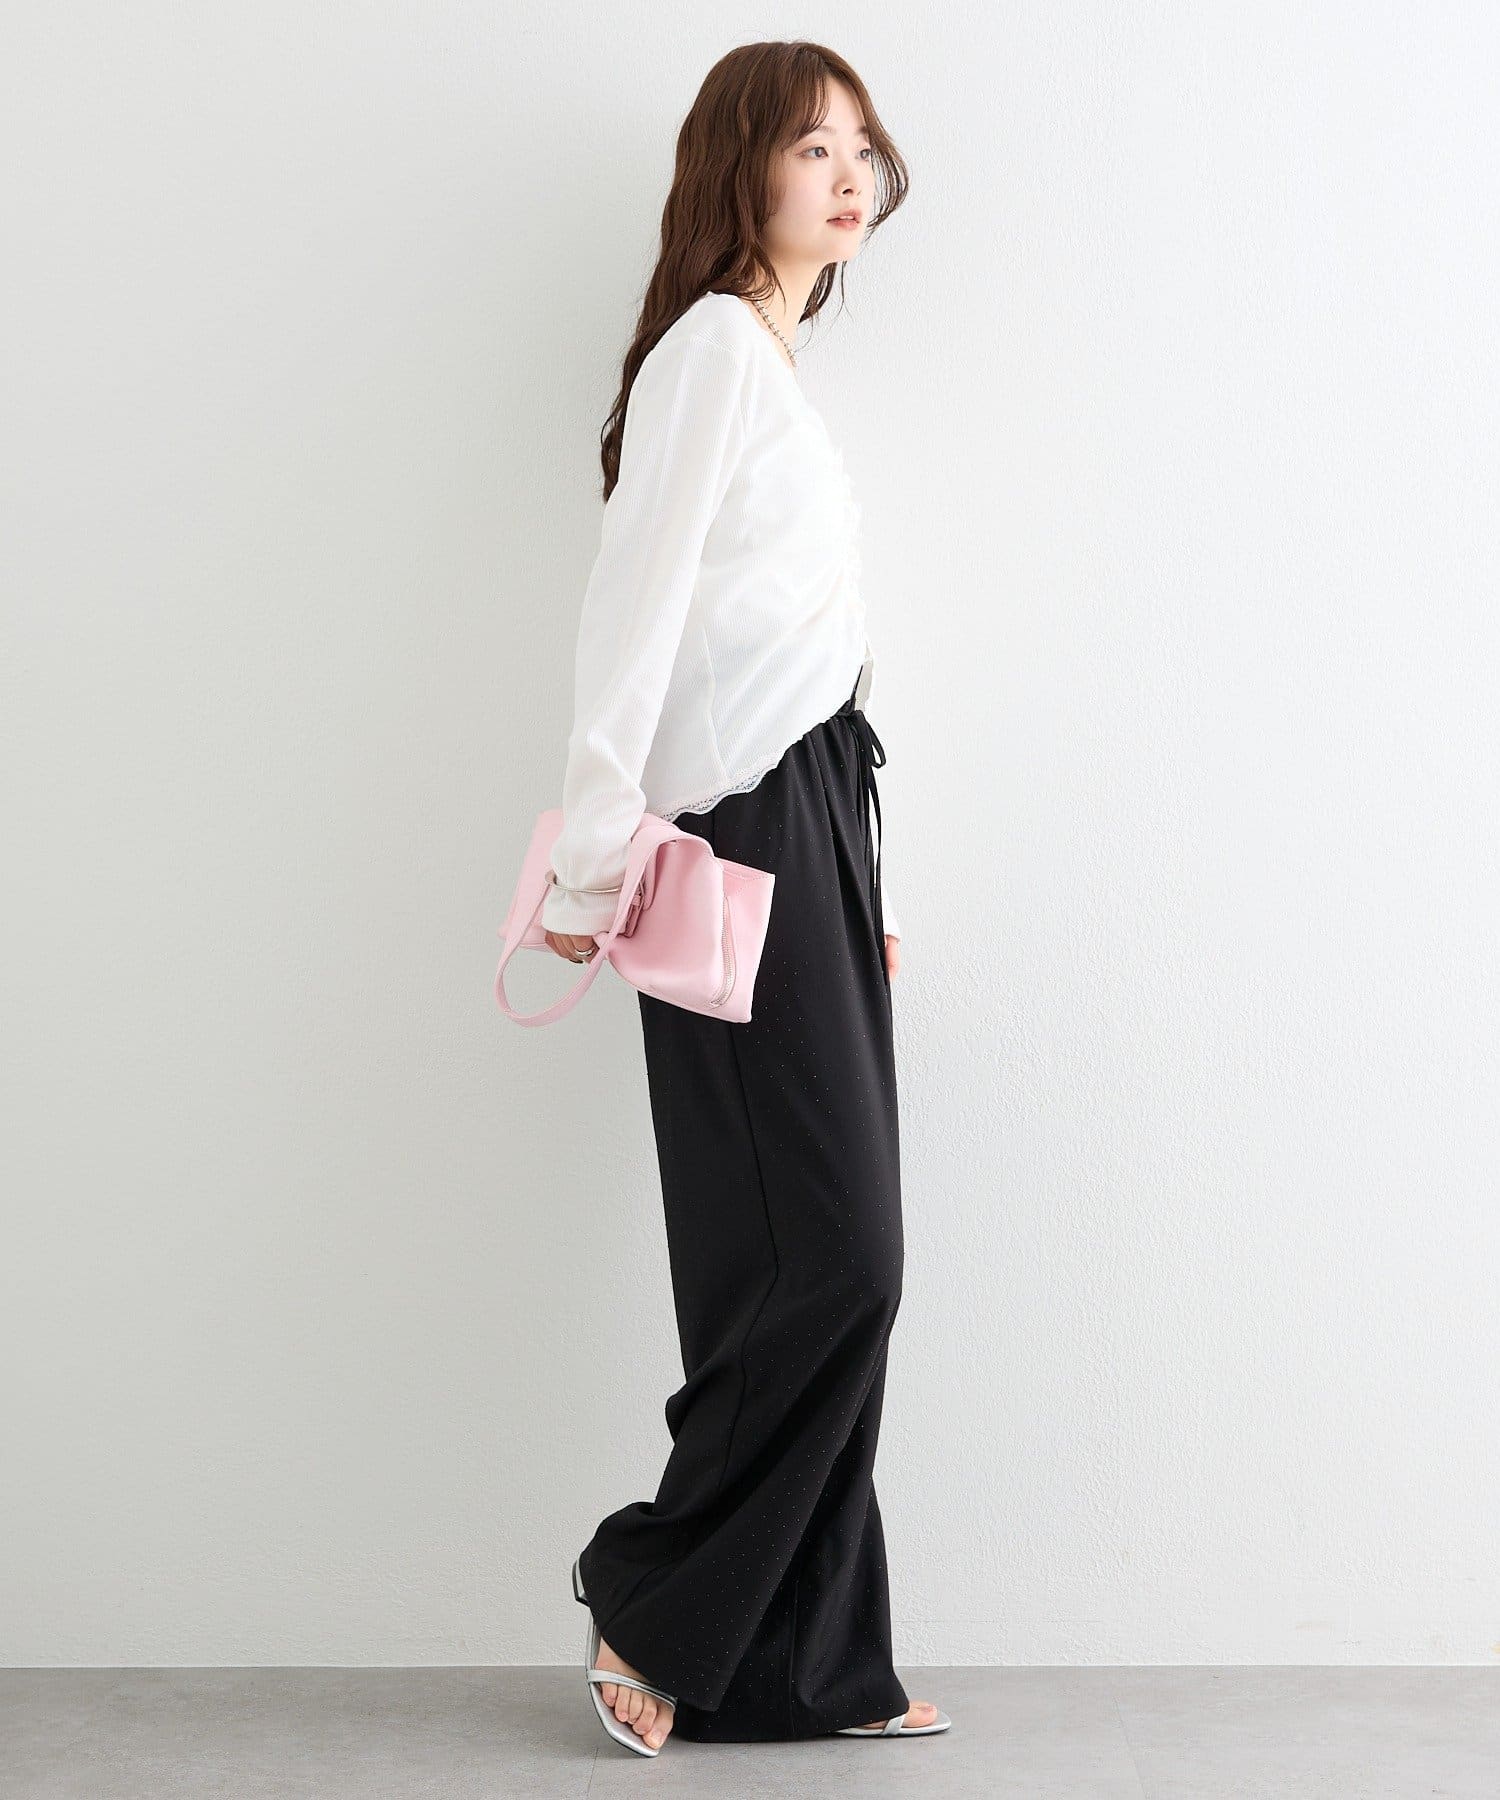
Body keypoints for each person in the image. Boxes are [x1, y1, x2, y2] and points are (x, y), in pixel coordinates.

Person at [540, 41, 949, 1753]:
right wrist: (590, 851)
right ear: (742, 166)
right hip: (735, 833)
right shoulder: (712, 351)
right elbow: (632, 610)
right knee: (831, 1257)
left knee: (790, 1258)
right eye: (810, 147)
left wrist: (867, 883)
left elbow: (799, 653)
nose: (849, 176)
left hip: (815, 824)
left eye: (863, 148)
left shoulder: (772, 366)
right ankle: (652, 1593)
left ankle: (795, 1661)